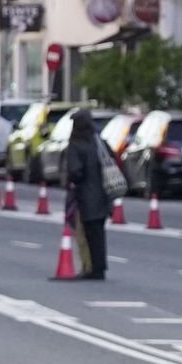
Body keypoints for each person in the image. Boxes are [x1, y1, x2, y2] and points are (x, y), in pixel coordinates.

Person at [63, 109, 110, 280]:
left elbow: (75, 171)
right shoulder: (100, 142)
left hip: (85, 195)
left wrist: (70, 178)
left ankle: (90, 268)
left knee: (86, 233)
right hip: (104, 194)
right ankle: (100, 267)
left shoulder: (76, 144)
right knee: (99, 232)